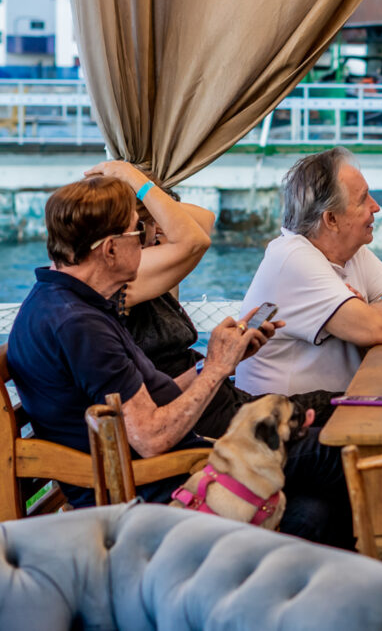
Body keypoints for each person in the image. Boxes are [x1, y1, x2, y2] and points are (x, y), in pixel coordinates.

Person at [6, 177, 353, 549]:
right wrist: (218, 368)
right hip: (167, 490)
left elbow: (149, 402)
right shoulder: (78, 325)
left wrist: (225, 360)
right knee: (341, 454)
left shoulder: (66, 303)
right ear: (109, 250)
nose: (145, 240)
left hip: (180, 470)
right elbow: (152, 438)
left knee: (320, 505)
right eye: (136, 231)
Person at [84, 161, 338, 437]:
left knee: (339, 405)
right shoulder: (123, 278)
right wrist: (133, 180)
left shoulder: (144, 265)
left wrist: (142, 192)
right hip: (195, 420)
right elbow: (195, 238)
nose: (159, 233)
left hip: (211, 400)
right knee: (336, 420)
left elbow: (203, 220)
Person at [235, 147, 382, 396]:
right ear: (331, 220)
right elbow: (374, 329)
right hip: (280, 420)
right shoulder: (292, 257)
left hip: (336, 405)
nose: (376, 207)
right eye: (363, 200)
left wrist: (367, 316)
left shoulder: (352, 250)